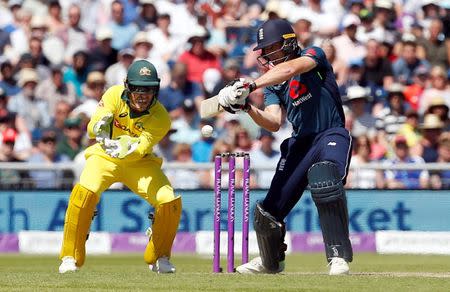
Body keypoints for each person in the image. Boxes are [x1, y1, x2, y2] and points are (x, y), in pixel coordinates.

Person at [217, 19, 353, 275]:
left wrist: (252, 84)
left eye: (273, 48)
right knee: (267, 212)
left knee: (325, 178)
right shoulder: (274, 84)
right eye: (265, 51)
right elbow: (273, 122)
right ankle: (271, 262)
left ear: (290, 42)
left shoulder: (313, 54)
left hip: (329, 133)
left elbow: (293, 68)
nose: (269, 55)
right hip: (300, 143)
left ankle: (337, 256)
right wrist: (247, 107)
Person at [58, 60, 182, 274]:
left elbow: (141, 147)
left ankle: (160, 254)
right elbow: (91, 129)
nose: (142, 96)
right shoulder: (114, 94)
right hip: (104, 158)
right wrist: (100, 126)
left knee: (169, 201)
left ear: (156, 89)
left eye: (148, 90)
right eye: (137, 89)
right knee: (83, 193)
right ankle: (70, 256)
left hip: (139, 163)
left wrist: (125, 145)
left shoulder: (161, 117)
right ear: (127, 86)